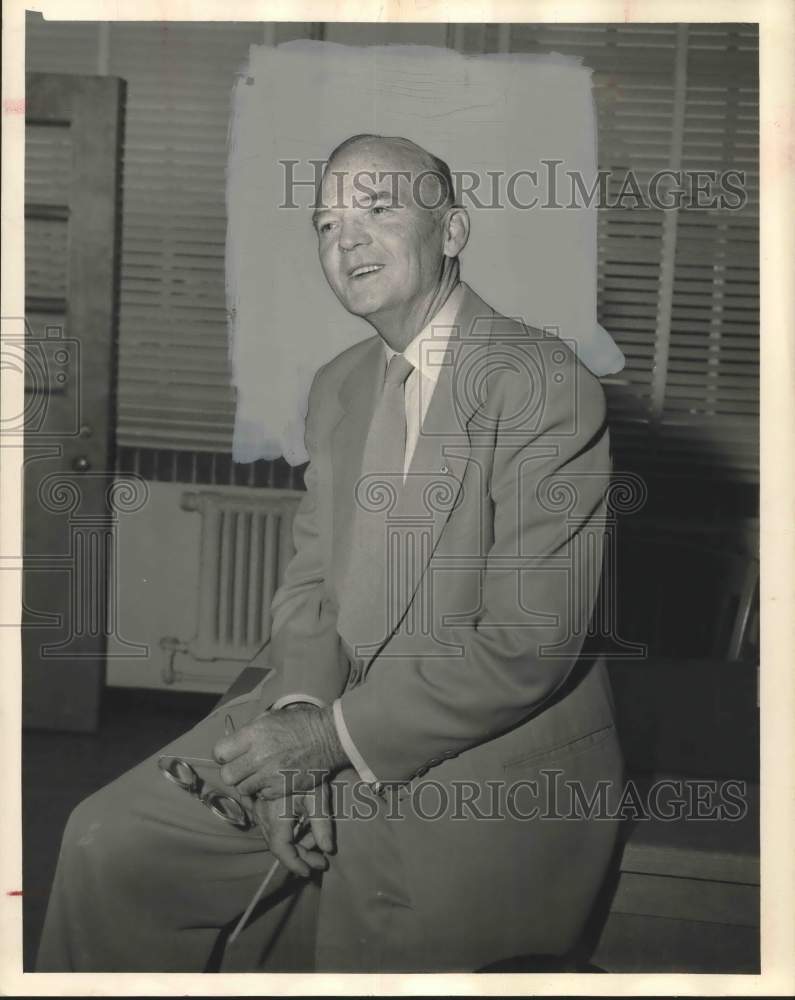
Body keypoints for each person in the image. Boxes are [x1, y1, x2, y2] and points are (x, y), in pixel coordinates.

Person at [36, 134, 624, 973]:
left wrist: (329, 741)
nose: (346, 239)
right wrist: (297, 713)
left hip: (483, 760)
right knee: (108, 844)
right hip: (325, 714)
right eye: (325, 222)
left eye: (377, 210)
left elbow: (528, 643)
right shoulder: (339, 384)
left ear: (452, 230)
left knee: (356, 955)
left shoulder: (540, 382)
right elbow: (312, 588)